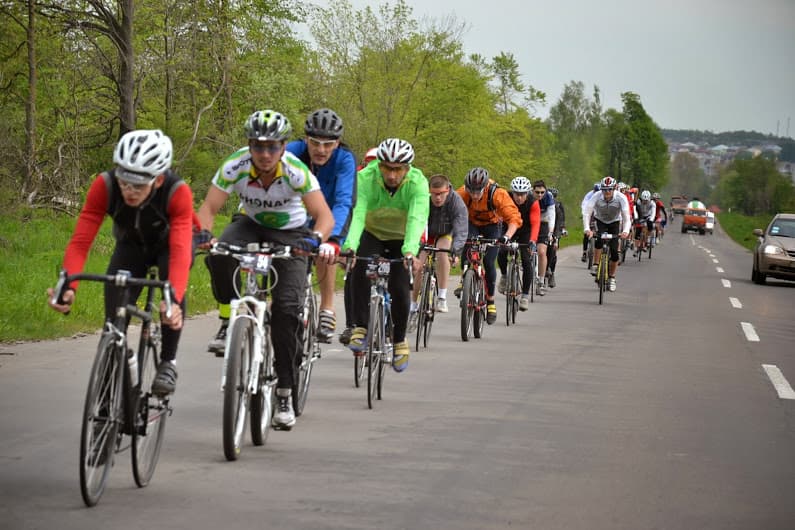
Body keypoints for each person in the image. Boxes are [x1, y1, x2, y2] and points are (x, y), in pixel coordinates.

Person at [197, 109, 335, 430]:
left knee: (287, 310)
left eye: (272, 147)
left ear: (284, 147)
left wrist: (314, 240)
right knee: (218, 254)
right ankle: (227, 318)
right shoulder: (236, 165)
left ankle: (285, 391)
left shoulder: (297, 172)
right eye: (258, 146)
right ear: (249, 145)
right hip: (251, 224)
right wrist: (204, 233)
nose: (265, 154)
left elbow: (324, 216)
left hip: (293, 234)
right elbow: (208, 208)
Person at [47, 129, 191, 396]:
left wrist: (174, 297)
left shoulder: (176, 192)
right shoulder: (105, 185)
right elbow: (80, 242)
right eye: (124, 181)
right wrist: (68, 286)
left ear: (158, 180)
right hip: (130, 246)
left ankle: (168, 361)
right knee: (113, 324)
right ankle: (105, 400)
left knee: (170, 299)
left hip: (168, 247)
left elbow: (181, 249)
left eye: (138, 185)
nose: (129, 191)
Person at [342, 138, 429, 373]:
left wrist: (410, 251)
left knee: (400, 285)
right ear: (379, 165)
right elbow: (358, 215)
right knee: (360, 266)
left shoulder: (418, 184)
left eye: (398, 169)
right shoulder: (365, 178)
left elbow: (416, 219)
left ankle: (399, 340)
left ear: (407, 168)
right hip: (373, 233)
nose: (392, 175)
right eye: (387, 168)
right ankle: (360, 326)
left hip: (402, 237)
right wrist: (350, 246)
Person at [286, 108, 356, 343]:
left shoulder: (345, 159)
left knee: (326, 249)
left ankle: (327, 308)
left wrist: (335, 239)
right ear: (306, 139)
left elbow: (343, 202)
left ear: (337, 143)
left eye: (328, 144)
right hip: (296, 213)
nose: (321, 149)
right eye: (315, 143)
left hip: (330, 213)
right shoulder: (292, 152)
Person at [456, 167, 521, 324]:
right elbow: (453, 213)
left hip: (493, 226)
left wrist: (506, 237)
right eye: (471, 191)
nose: (475, 194)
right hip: (472, 224)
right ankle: (465, 277)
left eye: (478, 191)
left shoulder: (497, 193)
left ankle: (490, 301)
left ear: (485, 186)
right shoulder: (462, 193)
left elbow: (513, 218)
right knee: (468, 247)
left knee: (489, 261)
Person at [408, 174, 467, 329]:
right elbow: (414, 220)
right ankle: (413, 307)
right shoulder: (423, 198)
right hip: (426, 232)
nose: (437, 198)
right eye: (434, 194)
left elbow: (461, 229)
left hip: (446, 232)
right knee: (418, 266)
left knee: (442, 252)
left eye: (441, 194)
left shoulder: (456, 202)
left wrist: (456, 251)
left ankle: (441, 297)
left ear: (448, 190)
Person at [341, 146, 380, 346]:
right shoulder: (356, 179)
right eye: (369, 162)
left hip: (385, 231)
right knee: (352, 274)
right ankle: (351, 324)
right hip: (359, 229)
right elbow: (347, 210)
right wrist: (345, 244)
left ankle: (389, 323)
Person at [496, 176, 539, 310]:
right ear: (512, 192)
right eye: (516, 194)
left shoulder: (533, 202)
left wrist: (532, 241)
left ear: (528, 193)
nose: (519, 198)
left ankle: (525, 296)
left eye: (522, 194)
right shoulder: (506, 198)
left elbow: (536, 223)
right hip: (509, 228)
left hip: (525, 231)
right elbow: (498, 217)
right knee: (502, 250)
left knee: (526, 261)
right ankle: (504, 275)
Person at [582, 176, 631, 292]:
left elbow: (626, 217)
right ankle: (595, 264)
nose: (607, 192)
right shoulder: (596, 196)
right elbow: (587, 213)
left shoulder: (621, 198)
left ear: (614, 189)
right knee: (599, 240)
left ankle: (612, 278)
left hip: (614, 222)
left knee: (614, 252)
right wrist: (587, 229)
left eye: (609, 189)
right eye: (604, 189)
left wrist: (625, 231)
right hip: (600, 221)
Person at [531, 180, 555, 296]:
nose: (540, 195)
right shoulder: (528, 197)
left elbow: (552, 214)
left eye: (542, 192)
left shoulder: (549, 197)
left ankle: (541, 282)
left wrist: (550, 231)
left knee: (541, 252)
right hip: (530, 223)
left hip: (543, 222)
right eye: (537, 192)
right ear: (532, 191)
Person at [546, 186, 567, 288]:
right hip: (543, 228)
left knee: (553, 251)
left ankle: (551, 272)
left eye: (553, 197)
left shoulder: (558, 206)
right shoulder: (542, 203)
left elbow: (561, 220)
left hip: (555, 229)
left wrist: (557, 236)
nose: (552, 199)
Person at [580, 183, 600, 262]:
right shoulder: (589, 194)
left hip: (598, 213)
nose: (596, 193)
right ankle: (584, 252)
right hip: (589, 211)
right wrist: (584, 213)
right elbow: (584, 204)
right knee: (586, 233)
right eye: (595, 191)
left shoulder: (602, 195)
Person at [633, 189, 656, 255]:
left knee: (650, 225)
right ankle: (635, 248)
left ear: (649, 199)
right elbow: (635, 210)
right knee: (638, 230)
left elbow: (653, 212)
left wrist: (651, 220)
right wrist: (636, 218)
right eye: (644, 200)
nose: (645, 202)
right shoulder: (638, 202)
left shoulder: (652, 202)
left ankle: (647, 239)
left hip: (648, 216)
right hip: (640, 215)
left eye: (646, 200)